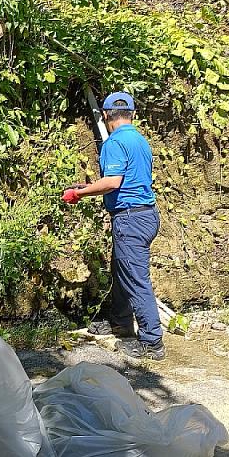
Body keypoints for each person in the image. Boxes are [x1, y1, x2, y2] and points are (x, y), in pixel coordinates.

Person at [61, 92, 165, 361]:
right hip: (146, 214)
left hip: (130, 218)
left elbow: (113, 182)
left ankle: (152, 342)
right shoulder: (140, 141)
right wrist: (88, 187)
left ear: (106, 115)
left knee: (136, 278)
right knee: (123, 270)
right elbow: (126, 179)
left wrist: (79, 194)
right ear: (131, 114)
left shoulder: (115, 143)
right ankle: (119, 322)